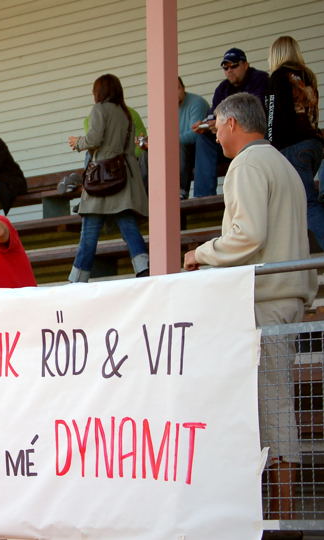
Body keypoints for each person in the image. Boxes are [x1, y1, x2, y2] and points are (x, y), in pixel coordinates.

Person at [183, 92, 317, 520]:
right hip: (288, 294)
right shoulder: (282, 164)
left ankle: (282, 517)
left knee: (271, 406)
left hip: (265, 299)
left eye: (217, 125)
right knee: (273, 401)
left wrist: (200, 253)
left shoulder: (247, 164)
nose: (215, 134)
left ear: (232, 124)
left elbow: (247, 235)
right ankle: (279, 514)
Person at [66, 74, 149, 282]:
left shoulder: (99, 109)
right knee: (128, 226)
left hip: (101, 179)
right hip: (123, 177)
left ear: (99, 91)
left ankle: (77, 280)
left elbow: (94, 139)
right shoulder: (125, 113)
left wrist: (78, 142)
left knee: (89, 232)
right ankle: (144, 269)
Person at [264, 35, 324, 251]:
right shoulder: (308, 76)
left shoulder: (277, 77)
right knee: (298, 202)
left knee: (306, 202)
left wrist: (270, 148)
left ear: (275, 54)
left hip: (293, 147)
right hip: (314, 145)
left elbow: (272, 117)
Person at [191, 48, 269, 197]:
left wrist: (222, 123)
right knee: (203, 138)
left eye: (234, 66)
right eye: (225, 68)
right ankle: (203, 196)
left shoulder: (260, 79)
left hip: (253, 137)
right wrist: (206, 124)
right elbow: (212, 113)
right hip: (229, 141)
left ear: (245, 64)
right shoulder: (223, 88)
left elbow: (255, 113)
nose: (229, 71)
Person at [178, 77, 210, 199]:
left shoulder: (196, 103)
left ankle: (180, 192)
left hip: (199, 150)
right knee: (147, 154)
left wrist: (167, 143)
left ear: (183, 88)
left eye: (177, 88)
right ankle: (146, 196)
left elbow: (195, 134)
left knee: (179, 146)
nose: (173, 92)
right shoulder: (165, 108)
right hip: (174, 151)